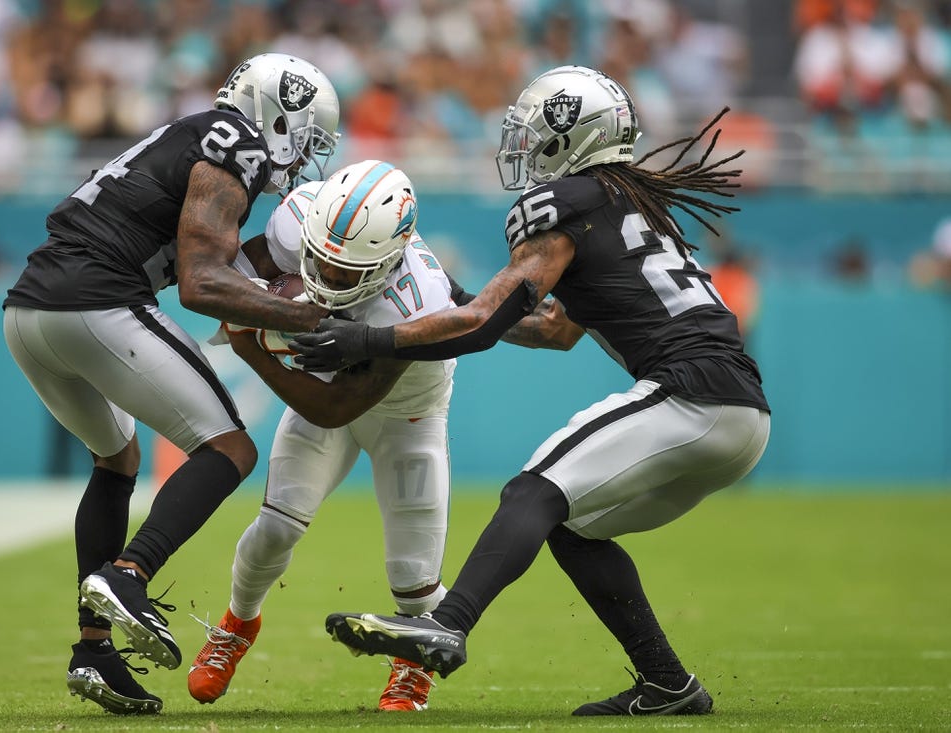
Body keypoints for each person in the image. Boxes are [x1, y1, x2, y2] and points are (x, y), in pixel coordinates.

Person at [294, 66, 772, 716]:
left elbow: (479, 329)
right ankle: (668, 683)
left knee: (532, 489)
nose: (520, 144)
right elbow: (554, 331)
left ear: (567, 139)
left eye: (532, 131)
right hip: (741, 413)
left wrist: (371, 341)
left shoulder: (565, 205)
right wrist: (460, 301)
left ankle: (447, 624)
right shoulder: (625, 204)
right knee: (573, 523)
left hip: (691, 393)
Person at [1, 53, 340, 715]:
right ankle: (130, 575)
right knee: (230, 447)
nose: (303, 155)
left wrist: (261, 290)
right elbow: (201, 283)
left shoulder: (194, 135)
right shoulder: (234, 141)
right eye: (306, 135)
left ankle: (94, 650)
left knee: (117, 459)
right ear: (277, 114)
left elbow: (213, 268)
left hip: (28, 312)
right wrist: (306, 317)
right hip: (93, 299)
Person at [187, 159, 456, 712]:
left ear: (389, 261)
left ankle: (412, 668)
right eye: (321, 262)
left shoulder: (418, 299)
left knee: (414, 577)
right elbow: (228, 270)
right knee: (274, 531)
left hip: (405, 417)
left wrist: (250, 346)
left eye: (346, 273)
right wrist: (251, 297)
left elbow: (337, 408)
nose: (328, 279)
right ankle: (238, 624)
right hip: (325, 388)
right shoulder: (298, 218)